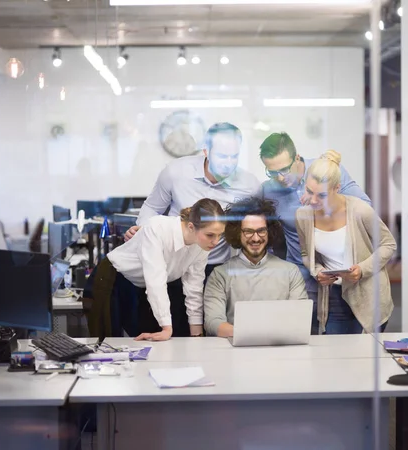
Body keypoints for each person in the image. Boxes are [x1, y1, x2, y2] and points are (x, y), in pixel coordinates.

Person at [123, 122, 259, 336]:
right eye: (223, 156)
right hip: (174, 266)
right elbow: (152, 207)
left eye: (235, 156)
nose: (229, 163)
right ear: (206, 150)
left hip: (219, 270)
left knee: (216, 333)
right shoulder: (176, 172)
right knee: (176, 332)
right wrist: (141, 231)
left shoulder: (250, 186)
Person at [86, 198, 225, 341]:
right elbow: (156, 281)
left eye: (220, 235)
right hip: (113, 278)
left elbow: (194, 288)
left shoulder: (202, 245)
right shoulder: (157, 229)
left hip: (142, 285)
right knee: (108, 342)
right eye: (210, 235)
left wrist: (197, 334)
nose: (215, 242)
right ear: (191, 227)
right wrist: (166, 328)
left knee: (148, 343)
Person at [259, 132, 371, 306]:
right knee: (301, 330)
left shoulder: (324, 170)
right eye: (272, 172)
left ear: (297, 158)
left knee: (340, 331)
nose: (280, 177)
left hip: (339, 270)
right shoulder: (267, 190)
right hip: (301, 274)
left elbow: (365, 208)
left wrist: (319, 199)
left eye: (284, 169)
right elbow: (267, 236)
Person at [295, 150, 396, 335]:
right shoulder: (303, 215)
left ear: (337, 188)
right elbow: (305, 255)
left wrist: (362, 269)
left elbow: (388, 244)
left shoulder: (360, 211)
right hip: (333, 295)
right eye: (309, 192)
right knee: (335, 357)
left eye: (322, 195)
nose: (314, 200)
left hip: (368, 295)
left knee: (364, 359)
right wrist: (317, 271)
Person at [204, 197, 308, 337]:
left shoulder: (290, 272)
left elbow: (299, 318)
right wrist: (252, 335)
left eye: (261, 231)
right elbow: (213, 322)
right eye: (248, 231)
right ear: (237, 232)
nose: (256, 238)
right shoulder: (220, 275)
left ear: (269, 231)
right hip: (235, 351)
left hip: (280, 351)